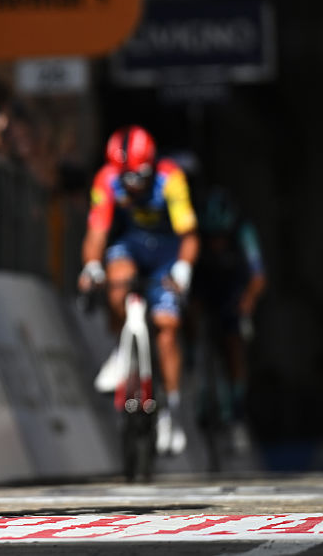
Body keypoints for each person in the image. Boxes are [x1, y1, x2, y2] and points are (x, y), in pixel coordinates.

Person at [78, 125, 199, 455]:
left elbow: (188, 234)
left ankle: (171, 410)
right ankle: (121, 349)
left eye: (139, 177)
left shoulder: (170, 178)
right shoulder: (107, 179)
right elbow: (96, 233)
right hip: (130, 246)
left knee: (167, 327)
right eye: (126, 178)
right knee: (116, 282)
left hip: (166, 251)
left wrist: (184, 269)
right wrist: (91, 266)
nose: (133, 185)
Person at [191, 186, 266, 452]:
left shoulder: (244, 233)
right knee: (192, 323)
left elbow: (258, 277)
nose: (217, 242)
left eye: (221, 236)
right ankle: (194, 384)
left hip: (234, 291)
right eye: (212, 237)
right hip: (204, 286)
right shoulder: (198, 234)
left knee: (234, 342)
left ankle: (235, 410)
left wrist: (247, 303)